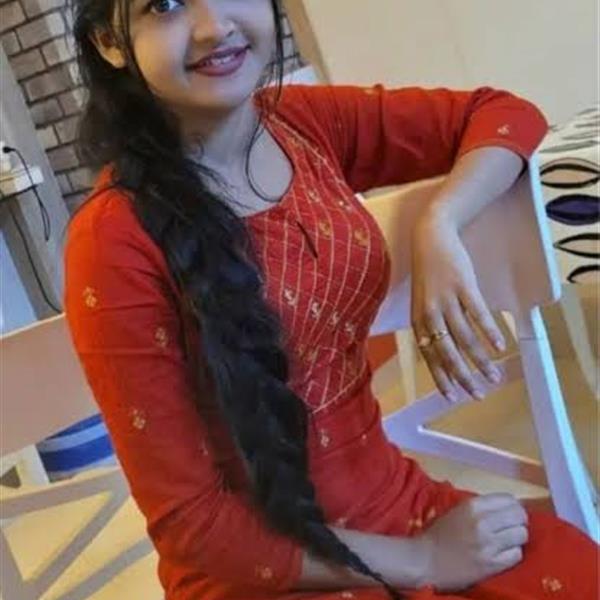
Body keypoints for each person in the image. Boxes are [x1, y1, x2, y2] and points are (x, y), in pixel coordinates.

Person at [64, 1, 598, 599]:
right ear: (111, 43)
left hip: (400, 506)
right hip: (264, 571)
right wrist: (421, 559)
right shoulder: (113, 242)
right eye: (164, 5)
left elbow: (503, 114)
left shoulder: (301, 124)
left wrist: (441, 222)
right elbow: (194, 525)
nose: (216, 26)